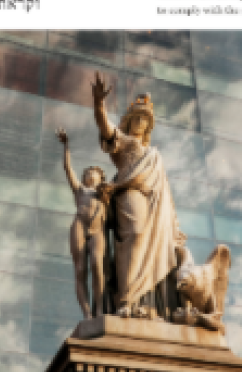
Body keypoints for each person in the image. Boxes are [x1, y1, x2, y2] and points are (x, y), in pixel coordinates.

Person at [90, 72, 187, 320]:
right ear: (130, 121)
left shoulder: (154, 154)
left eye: (145, 119)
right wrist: (99, 103)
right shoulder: (123, 142)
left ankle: (143, 304)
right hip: (129, 194)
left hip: (154, 205)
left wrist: (174, 228)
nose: (141, 123)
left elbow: (167, 195)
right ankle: (126, 300)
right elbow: (105, 126)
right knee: (134, 236)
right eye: (138, 118)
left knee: (152, 245)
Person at [56, 127, 112, 319]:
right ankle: (87, 313)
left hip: (97, 229)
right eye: (86, 172)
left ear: (99, 176)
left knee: (97, 264)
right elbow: (67, 168)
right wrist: (66, 145)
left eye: (92, 172)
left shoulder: (105, 192)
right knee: (80, 269)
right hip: (79, 225)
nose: (88, 174)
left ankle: (98, 309)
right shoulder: (80, 190)